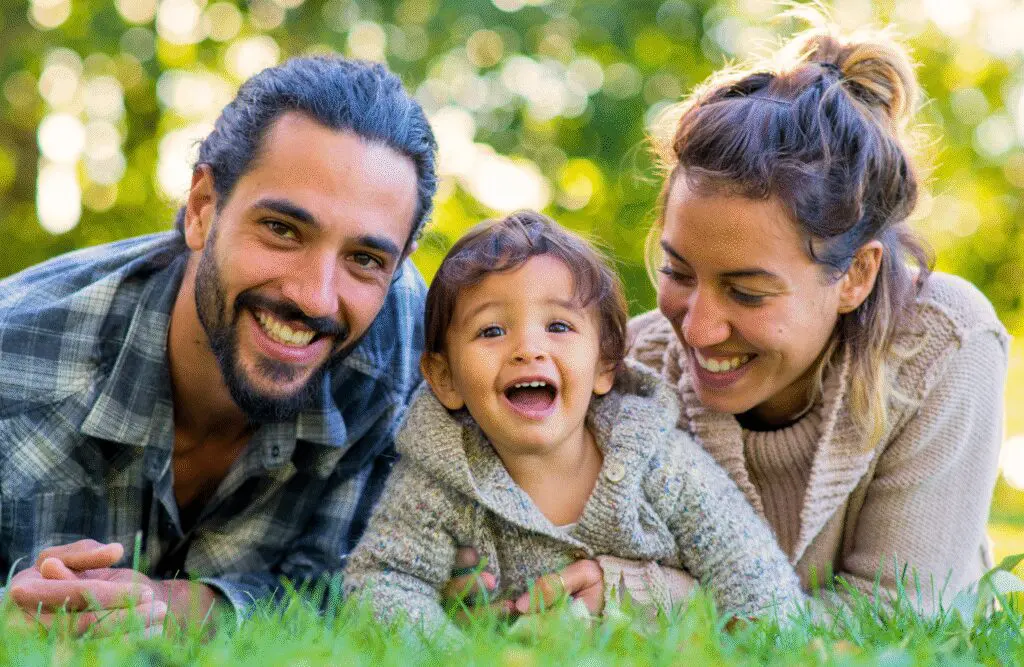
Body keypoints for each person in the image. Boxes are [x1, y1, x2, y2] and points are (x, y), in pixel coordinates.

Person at [0, 56, 437, 633]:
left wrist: (186, 608)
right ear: (203, 209)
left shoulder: (404, 351)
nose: (317, 299)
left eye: (364, 259)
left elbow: (358, 589)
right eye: (283, 230)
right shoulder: (15, 363)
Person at [627, 24, 1010, 610]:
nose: (697, 330)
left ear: (856, 275)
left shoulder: (944, 346)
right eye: (678, 273)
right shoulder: (630, 366)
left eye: (748, 292)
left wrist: (667, 600)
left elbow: (888, 621)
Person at [343, 211, 804, 642]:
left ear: (605, 365)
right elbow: (383, 579)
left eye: (559, 326)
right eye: (492, 331)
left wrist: (758, 636)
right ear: (445, 379)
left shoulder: (656, 460)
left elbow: (751, 572)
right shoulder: (440, 479)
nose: (528, 349)